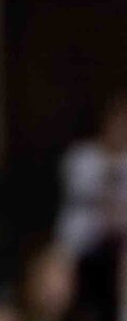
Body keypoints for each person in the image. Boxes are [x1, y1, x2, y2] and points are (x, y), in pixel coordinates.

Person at [58, 93, 127, 261]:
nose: (120, 129)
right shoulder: (80, 154)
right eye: (117, 122)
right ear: (106, 123)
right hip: (85, 227)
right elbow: (78, 193)